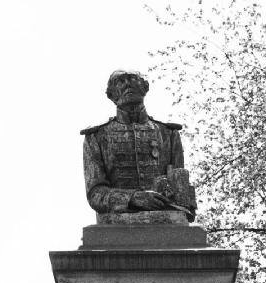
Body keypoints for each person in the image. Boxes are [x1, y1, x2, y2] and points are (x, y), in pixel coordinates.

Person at [81, 70, 196, 218]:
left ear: (145, 87)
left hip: (164, 219)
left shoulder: (168, 133)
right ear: (111, 95)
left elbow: (179, 185)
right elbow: (95, 194)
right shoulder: (96, 136)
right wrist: (133, 198)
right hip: (117, 222)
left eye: (133, 79)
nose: (127, 84)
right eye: (120, 81)